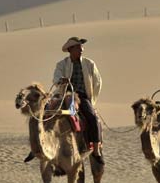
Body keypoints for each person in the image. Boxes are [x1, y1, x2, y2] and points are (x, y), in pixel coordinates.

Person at [24, 36, 104, 165]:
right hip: (63, 94)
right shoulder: (62, 64)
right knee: (43, 113)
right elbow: (56, 78)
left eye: (81, 47)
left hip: (81, 96)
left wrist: (91, 98)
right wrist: (61, 80)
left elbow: (97, 81)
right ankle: (35, 148)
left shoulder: (89, 64)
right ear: (70, 49)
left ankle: (95, 150)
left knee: (92, 117)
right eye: (78, 47)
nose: (81, 50)